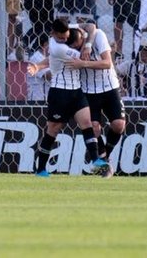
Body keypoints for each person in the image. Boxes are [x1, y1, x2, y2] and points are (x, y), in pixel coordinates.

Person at [28, 19, 110, 177]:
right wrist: (88, 42)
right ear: (54, 34)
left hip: (76, 90)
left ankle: (95, 160)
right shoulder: (57, 47)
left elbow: (91, 26)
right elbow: (82, 57)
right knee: (53, 130)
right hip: (60, 92)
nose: (66, 40)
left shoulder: (68, 30)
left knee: (87, 123)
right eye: (63, 38)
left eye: (67, 37)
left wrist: (86, 42)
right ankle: (41, 169)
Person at [65, 26, 126, 178]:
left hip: (109, 86)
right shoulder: (67, 42)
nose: (77, 48)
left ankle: (106, 155)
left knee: (118, 125)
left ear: (82, 37)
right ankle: (103, 161)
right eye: (74, 47)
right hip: (88, 90)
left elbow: (107, 63)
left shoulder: (98, 36)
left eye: (79, 43)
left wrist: (85, 54)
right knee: (93, 128)